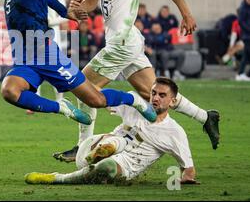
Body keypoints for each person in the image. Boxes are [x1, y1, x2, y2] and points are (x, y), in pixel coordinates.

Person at [54, 0, 220, 163]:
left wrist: (187, 14)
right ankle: (206, 117)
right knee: (152, 94)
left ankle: (82, 147)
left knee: (83, 87)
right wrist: (77, 8)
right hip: (128, 41)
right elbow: (91, 4)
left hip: (122, 44)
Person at [0, 0, 158, 127]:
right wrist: (65, 12)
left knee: (95, 100)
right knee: (9, 91)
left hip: (46, 55)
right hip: (24, 58)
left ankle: (133, 100)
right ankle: (62, 107)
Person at [25, 77, 199, 185]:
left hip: (124, 165)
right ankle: (108, 148)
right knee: (117, 141)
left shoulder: (174, 131)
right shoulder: (137, 105)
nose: (155, 98)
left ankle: (56, 178)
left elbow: (188, 170)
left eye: (162, 95)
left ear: (173, 101)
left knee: (108, 164)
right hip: (92, 147)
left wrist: (184, 178)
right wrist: (81, 87)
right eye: (153, 93)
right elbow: (101, 99)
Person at [237, 0, 250, 81]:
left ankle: (241, 73)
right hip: (247, 36)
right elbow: (241, 22)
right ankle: (243, 74)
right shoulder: (243, 9)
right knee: (247, 55)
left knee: (246, 55)